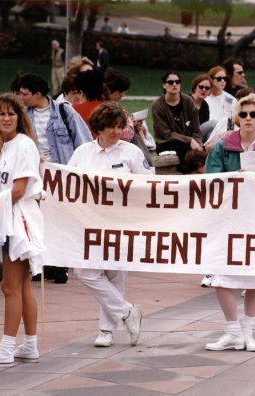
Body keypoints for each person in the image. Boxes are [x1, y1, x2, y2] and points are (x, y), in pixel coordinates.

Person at [204, 93, 255, 352]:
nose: (248, 119)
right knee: (220, 276)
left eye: (253, 114)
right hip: (229, 219)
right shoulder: (223, 144)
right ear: (236, 118)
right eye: (243, 114)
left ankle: (249, 332)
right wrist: (234, 177)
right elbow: (211, 176)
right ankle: (232, 331)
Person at [68, 102, 150, 347]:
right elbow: (66, 181)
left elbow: (149, 184)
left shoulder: (131, 152)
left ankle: (106, 330)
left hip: (121, 221)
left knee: (115, 274)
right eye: (110, 127)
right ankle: (126, 312)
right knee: (85, 271)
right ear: (98, 128)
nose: (116, 131)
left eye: (119, 126)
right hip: (89, 222)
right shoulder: (83, 152)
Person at [0, 95, 45, 367]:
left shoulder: (24, 146)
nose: (5, 118)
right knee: (22, 285)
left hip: (18, 223)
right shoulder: (7, 145)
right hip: (9, 221)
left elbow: (18, 190)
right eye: (0, 114)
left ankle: (5, 348)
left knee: (9, 286)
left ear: (19, 117)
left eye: (10, 114)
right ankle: (29, 345)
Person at [18, 74, 92, 283]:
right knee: (38, 220)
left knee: (59, 220)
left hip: (61, 173)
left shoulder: (63, 110)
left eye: (25, 94)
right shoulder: (24, 115)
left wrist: (81, 172)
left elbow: (82, 139)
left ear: (38, 94)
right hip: (35, 174)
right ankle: (42, 264)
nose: (22, 98)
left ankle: (60, 266)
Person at [152, 71, 202, 162]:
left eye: (177, 82)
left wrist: (198, 144)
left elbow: (196, 129)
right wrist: (190, 140)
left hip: (187, 142)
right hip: (165, 143)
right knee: (185, 150)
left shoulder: (188, 101)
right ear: (164, 85)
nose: (174, 84)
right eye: (170, 82)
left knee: (201, 152)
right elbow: (166, 134)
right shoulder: (157, 105)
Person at [190, 74, 215, 141]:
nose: (204, 90)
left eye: (207, 88)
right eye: (201, 87)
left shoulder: (205, 105)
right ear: (195, 87)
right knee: (214, 123)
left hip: (198, 134)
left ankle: (205, 149)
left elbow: (204, 124)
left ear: (209, 91)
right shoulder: (187, 100)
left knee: (211, 132)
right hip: (187, 133)